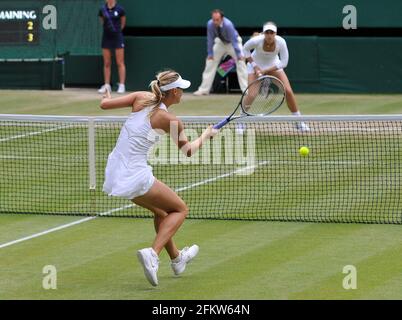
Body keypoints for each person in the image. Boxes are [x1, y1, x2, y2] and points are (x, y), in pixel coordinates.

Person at [100, 70, 218, 286]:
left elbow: (105, 105)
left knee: (161, 212)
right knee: (180, 209)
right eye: (181, 89)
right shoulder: (170, 120)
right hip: (134, 173)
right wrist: (205, 136)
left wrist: (106, 97)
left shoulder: (139, 98)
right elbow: (188, 151)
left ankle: (177, 259)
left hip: (115, 170)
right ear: (173, 92)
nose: (183, 93)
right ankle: (152, 254)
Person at [243, 22, 310, 131]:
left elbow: (284, 62)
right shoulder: (256, 41)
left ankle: (298, 122)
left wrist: (266, 70)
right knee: (252, 95)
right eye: (267, 32)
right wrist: (255, 67)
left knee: (288, 91)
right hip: (255, 66)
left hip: (274, 66)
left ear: (275, 34)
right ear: (264, 33)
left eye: (272, 32)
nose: (269, 35)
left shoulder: (281, 42)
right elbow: (244, 49)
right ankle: (242, 122)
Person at [193, 9, 248, 96]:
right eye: (213, 19)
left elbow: (234, 40)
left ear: (222, 18)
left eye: (217, 20)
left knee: (241, 63)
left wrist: (238, 54)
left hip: (233, 44)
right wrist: (210, 54)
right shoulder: (210, 24)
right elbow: (210, 39)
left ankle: (246, 90)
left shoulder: (228, 24)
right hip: (220, 43)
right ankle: (203, 90)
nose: (215, 22)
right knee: (210, 62)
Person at [98, 0, 127, 94]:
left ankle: (122, 85)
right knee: (106, 62)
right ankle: (107, 85)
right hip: (106, 37)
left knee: (120, 62)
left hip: (118, 37)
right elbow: (102, 22)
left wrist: (116, 31)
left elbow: (122, 23)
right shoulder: (102, 9)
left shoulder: (120, 9)